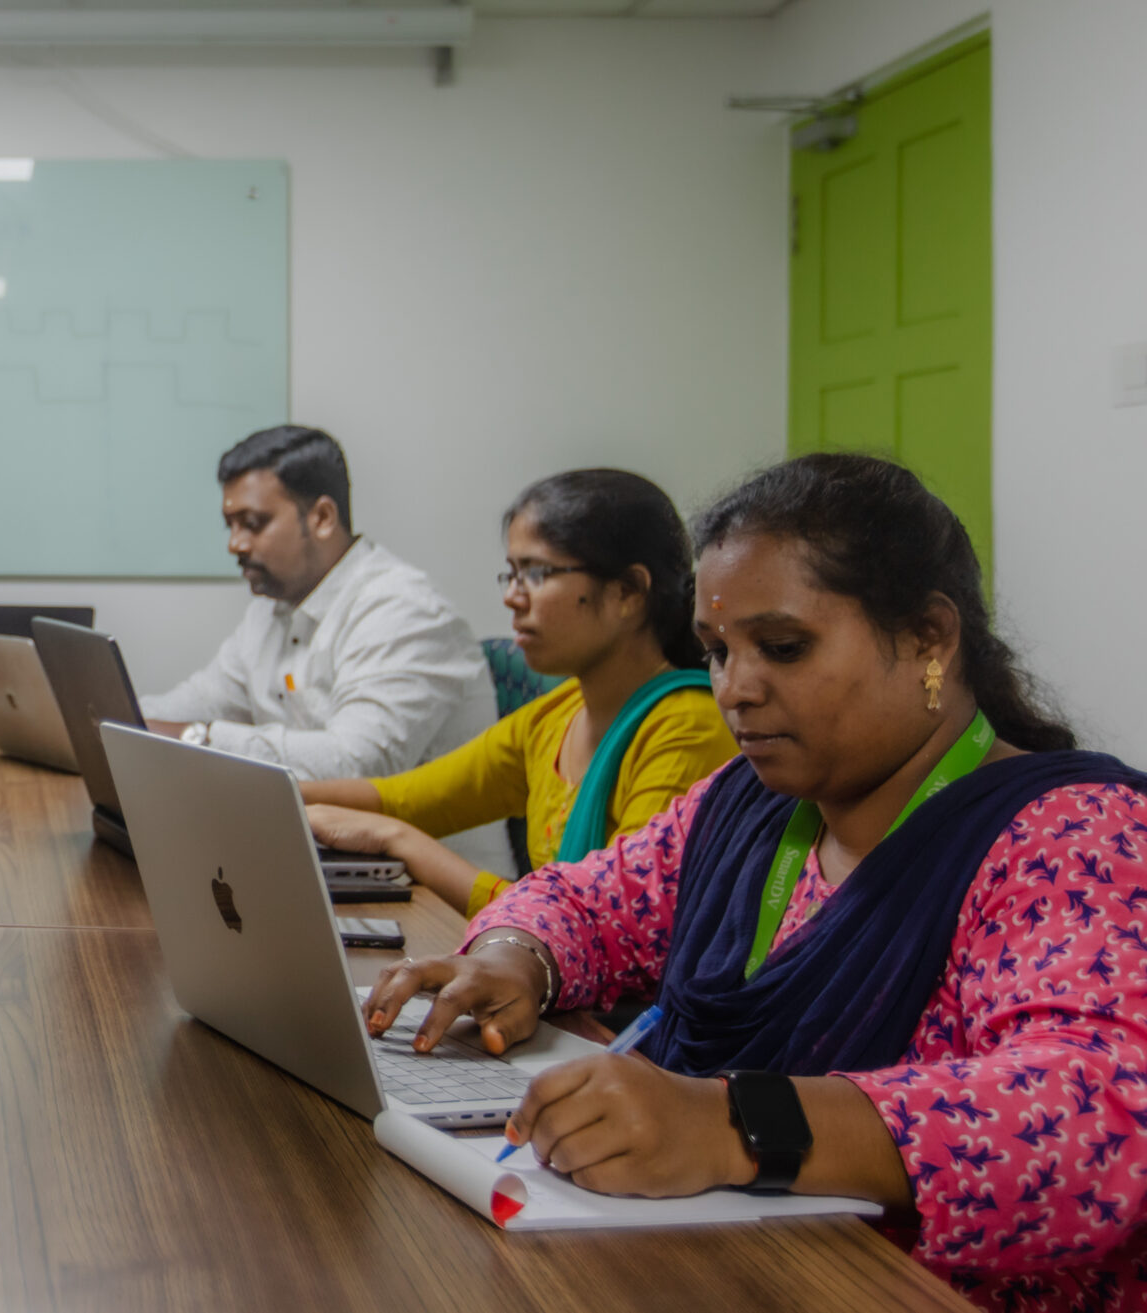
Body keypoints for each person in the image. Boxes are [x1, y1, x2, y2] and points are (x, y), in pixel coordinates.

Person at [361, 455, 1147, 1311]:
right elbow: (587, 897)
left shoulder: (1074, 833)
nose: (733, 688)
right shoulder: (749, 806)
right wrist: (515, 957)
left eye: (781, 647)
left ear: (929, 638)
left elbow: (1095, 1120)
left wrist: (730, 1123)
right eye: (715, 651)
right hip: (723, 1259)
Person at [298, 470, 737, 915]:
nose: (512, 597)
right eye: (511, 574)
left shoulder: (687, 728)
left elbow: (606, 926)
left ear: (627, 591)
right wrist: (279, 795)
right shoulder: (556, 717)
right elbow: (401, 799)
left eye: (537, 573)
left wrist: (400, 841)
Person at [141, 425, 505, 865]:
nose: (235, 543)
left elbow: (356, 768)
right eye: (230, 525)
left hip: (432, 900)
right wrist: (117, 719)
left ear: (322, 517)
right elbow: (195, 704)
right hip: (328, 863)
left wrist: (196, 739)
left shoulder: (405, 612)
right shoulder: (271, 611)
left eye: (253, 524)